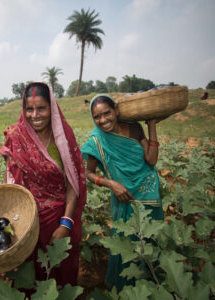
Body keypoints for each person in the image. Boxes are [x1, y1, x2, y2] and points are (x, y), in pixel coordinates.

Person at [0, 82, 86, 286]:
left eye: (41, 108)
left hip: (58, 221)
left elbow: (72, 184)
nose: (35, 115)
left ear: (52, 109)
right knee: (29, 277)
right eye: (29, 109)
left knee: (60, 272)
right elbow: (9, 181)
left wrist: (66, 223)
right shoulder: (16, 138)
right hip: (26, 222)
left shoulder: (62, 140)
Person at [81, 94, 164, 291]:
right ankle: (127, 290)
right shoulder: (96, 141)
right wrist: (111, 184)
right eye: (97, 117)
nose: (103, 120)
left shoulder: (135, 128)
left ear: (116, 111)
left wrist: (151, 125)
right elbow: (88, 172)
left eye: (107, 113)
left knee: (150, 241)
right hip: (123, 197)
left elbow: (151, 160)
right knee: (127, 245)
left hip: (148, 193)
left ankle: (151, 288)